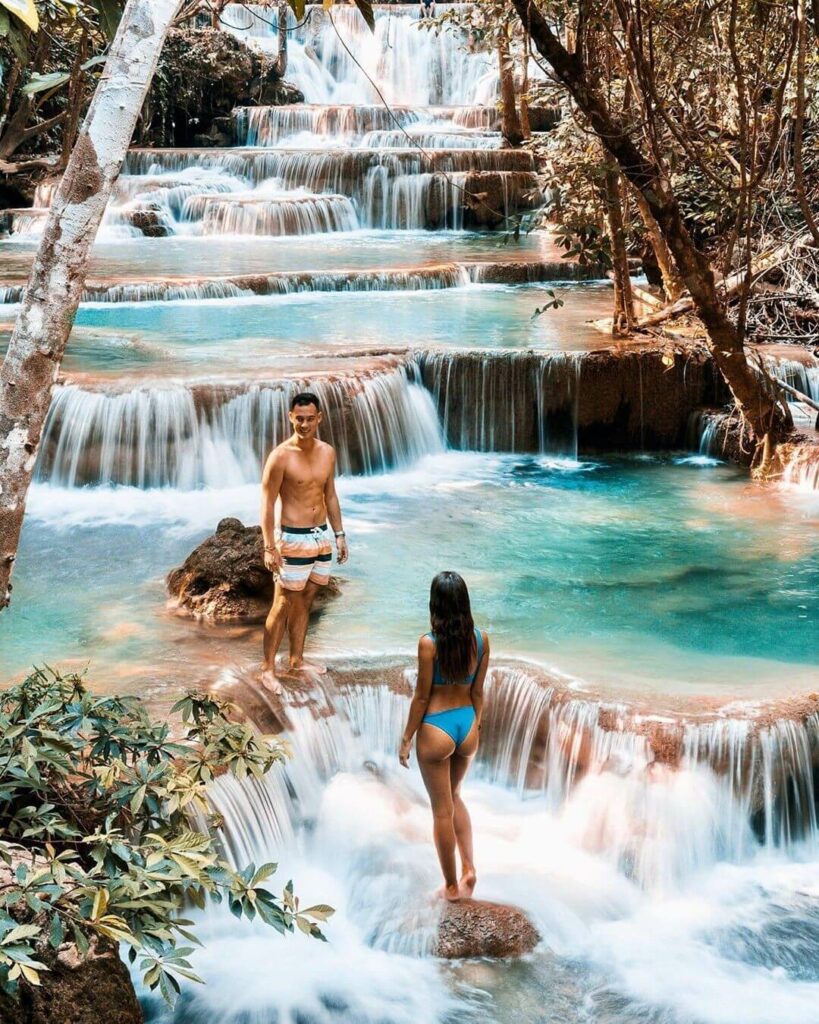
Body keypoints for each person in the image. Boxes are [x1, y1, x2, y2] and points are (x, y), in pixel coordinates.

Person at [399, 572, 490, 901]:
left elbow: (421, 697)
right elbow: (478, 692)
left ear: (434, 604)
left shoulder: (429, 643)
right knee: (455, 795)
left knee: (441, 810)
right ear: (465, 603)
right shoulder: (481, 639)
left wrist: (407, 737)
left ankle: (451, 887)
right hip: (466, 726)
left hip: (436, 728)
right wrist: (476, 725)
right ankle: (469, 868)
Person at [260, 392, 348, 690]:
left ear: (319, 418)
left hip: (321, 536)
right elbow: (267, 503)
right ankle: (268, 668)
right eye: (300, 419)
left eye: (311, 419)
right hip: (292, 537)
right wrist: (269, 546)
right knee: (283, 602)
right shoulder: (280, 456)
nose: (305, 424)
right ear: (290, 417)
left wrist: (339, 534)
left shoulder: (328, 452)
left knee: (307, 600)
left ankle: (297, 659)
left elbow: (331, 494)